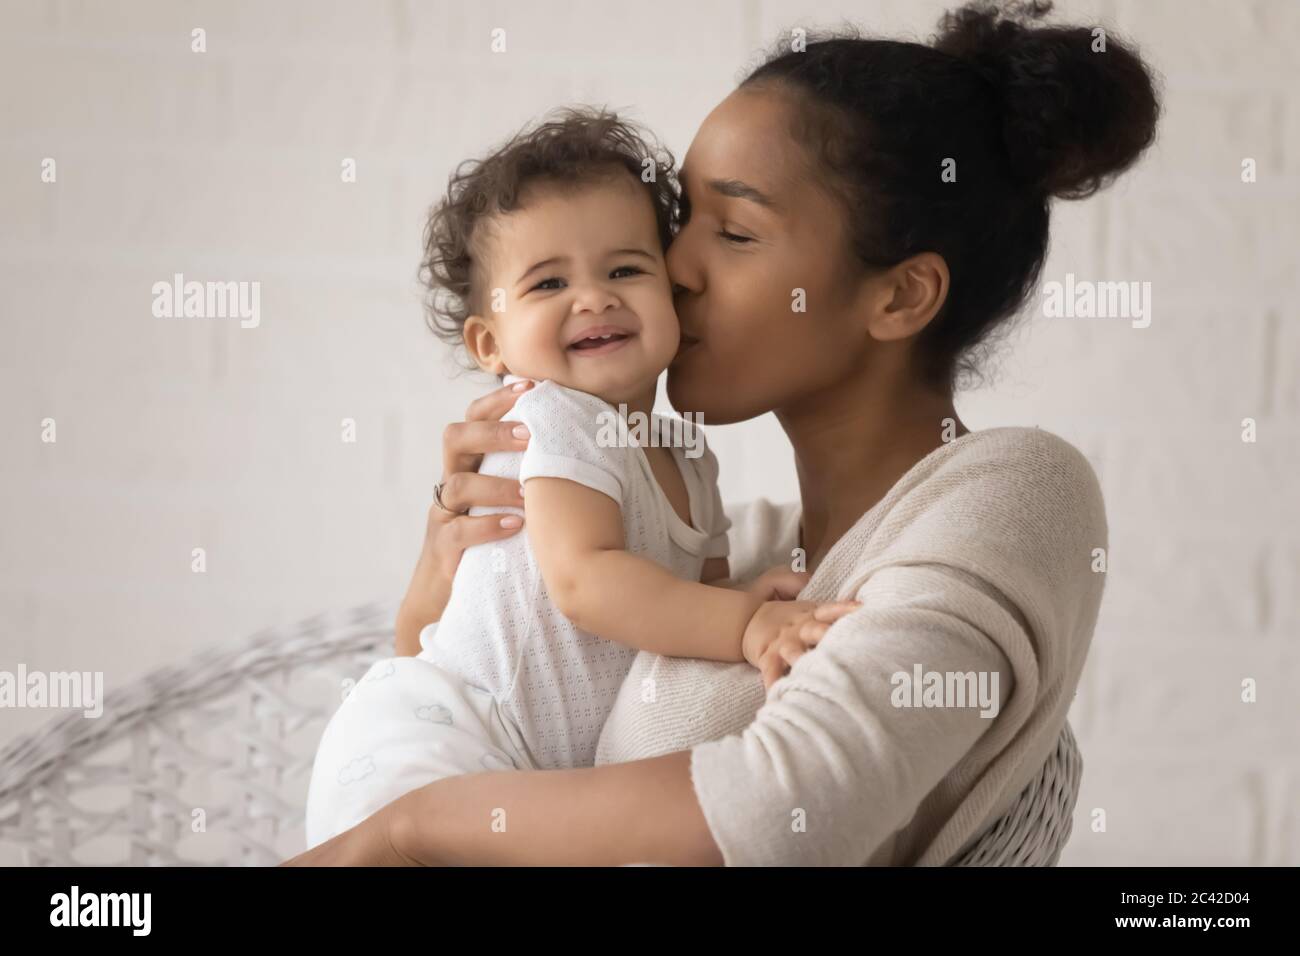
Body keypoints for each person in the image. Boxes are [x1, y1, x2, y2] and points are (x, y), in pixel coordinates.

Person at [283, 0, 1159, 866]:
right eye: (681, 223)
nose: (675, 268)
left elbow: (790, 812)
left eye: (734, 231)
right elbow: (482, 707)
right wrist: (457, 567)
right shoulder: (736, 553)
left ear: (898, 296)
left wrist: (415, 827)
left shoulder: (1011, 491)